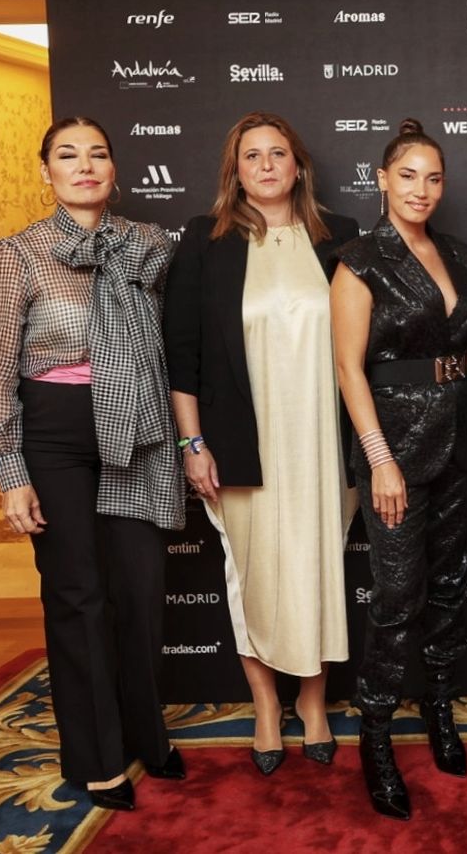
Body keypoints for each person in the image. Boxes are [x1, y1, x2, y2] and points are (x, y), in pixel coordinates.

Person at [0, 116, 185, 812]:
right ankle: (95, 758)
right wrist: (10, 468)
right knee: (77, 594)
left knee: (138, 590)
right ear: (44, 172)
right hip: (54, 432)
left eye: (97, 154)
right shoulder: (15, 256)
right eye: (67, 156)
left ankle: (142, 733)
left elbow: (177, 342)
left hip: (135, 427)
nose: (84, 166)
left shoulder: (149, 247)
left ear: (115, 169)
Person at [162, 111, 360, 775]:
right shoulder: (204, 240)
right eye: (253, 156)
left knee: (318, 570)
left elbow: (361, 351)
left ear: (298, 166)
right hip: (241, 445)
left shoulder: (341, 239)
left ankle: (313, 703)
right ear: (236, 171)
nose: (268, 165)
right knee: (249, 576)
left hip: (323, 446)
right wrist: (193, 444)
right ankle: (266, 706)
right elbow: (181, 356)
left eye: (279, 154)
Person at [330, 120, 467, 820]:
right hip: (393, 446)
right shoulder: (360, 258)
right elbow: (347, 367)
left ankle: (441, 713)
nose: (421, 189)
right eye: (408, 176)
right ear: (382, 180)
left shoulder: (458, 252)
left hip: (458, 435)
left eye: (433, 177)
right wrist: (379, 460)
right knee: (398, 598)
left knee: (450, 584)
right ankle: (375, 738)